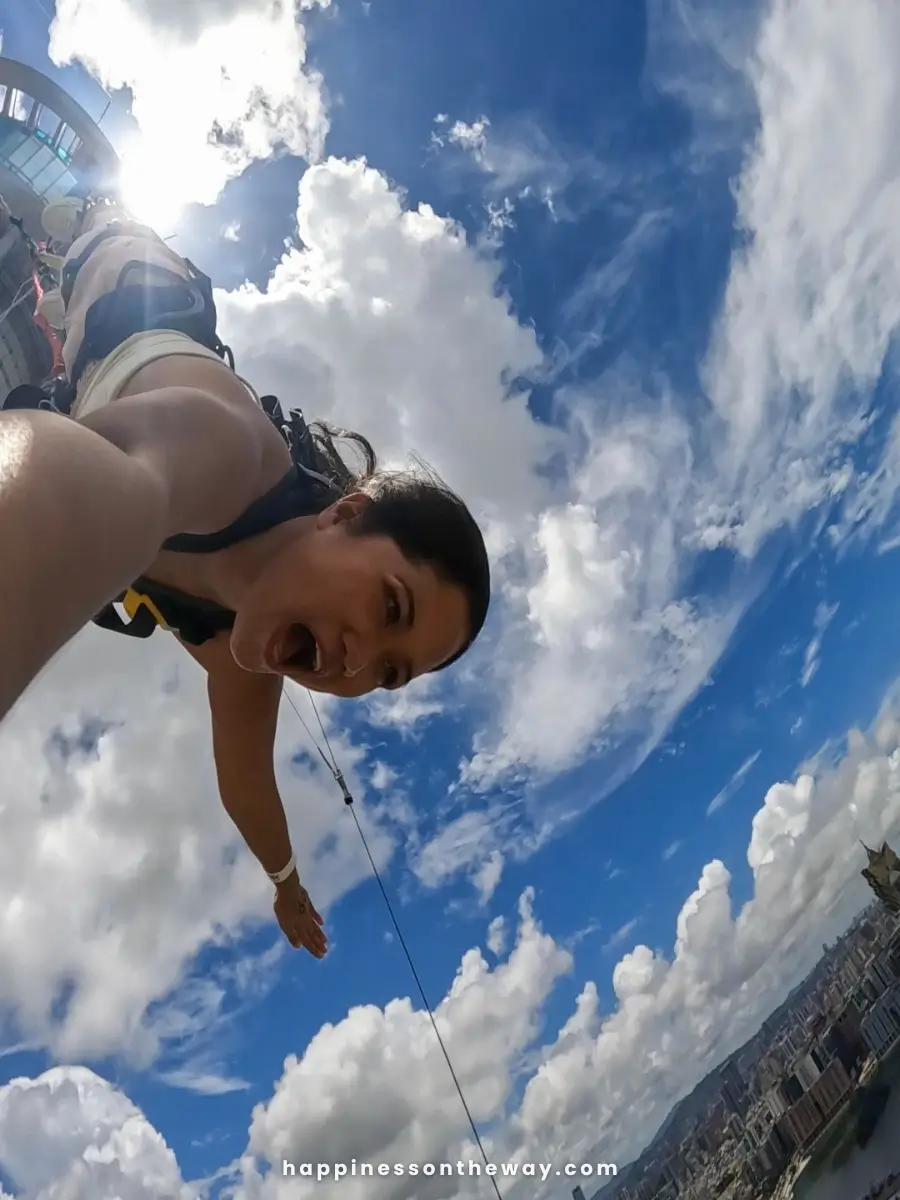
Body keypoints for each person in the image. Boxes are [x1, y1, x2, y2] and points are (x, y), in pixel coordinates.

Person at [0, 195, 490, 959]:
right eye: (389, 606)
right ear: (344, 515)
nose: (359, 661)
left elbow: (246, 781)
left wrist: (287, 883)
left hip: (76, 363)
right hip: (132, 269)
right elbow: (63, 480)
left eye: (389, 674)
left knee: (48, 321)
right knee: (75, 244)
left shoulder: (238, 656)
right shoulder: (226, 449)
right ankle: (82, 211)